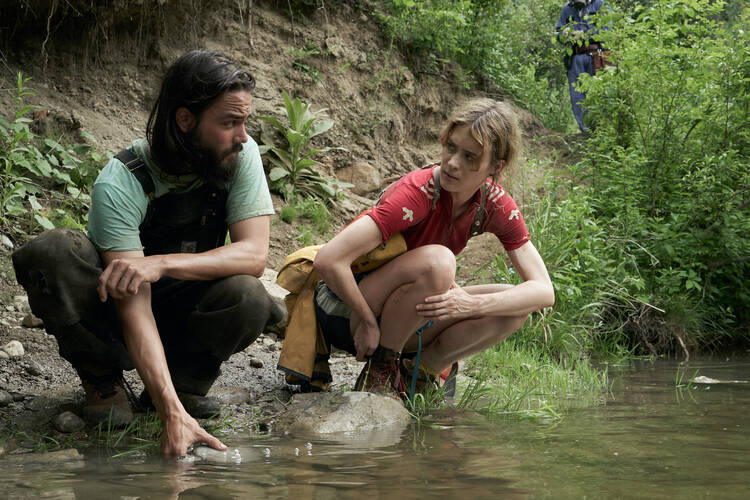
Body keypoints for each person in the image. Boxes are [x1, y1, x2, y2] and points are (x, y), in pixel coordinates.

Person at [11, 49, 283, 456]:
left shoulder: (238, 157)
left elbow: (254, 254)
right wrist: (171, 417)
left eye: (244, 122)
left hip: (183, 303)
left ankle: (183, 383)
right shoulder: (120, 183)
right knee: (52, 252)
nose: (243, 136)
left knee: (249, 294)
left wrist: (161, 263)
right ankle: (103, 380)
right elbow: (133, 307)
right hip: (116, 313)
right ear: (186, 120)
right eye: (229, 123)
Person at [312, 99, 554, 399]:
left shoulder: (494, 204)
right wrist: (367, 321)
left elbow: (544, 292)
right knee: (439, 262)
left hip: (407, 315)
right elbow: (329, 260)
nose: (453, 162)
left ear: (495, 166)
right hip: (345, 311)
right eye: (451, 148)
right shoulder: (416, 193)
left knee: (514, 306)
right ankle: (382, 367)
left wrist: (471, 304)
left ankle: (421, 371)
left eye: (470, 157)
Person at [556, 0, 609, 133]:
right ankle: (586, 132)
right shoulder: (567, 9)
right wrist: (563, 34)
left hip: (596, 56)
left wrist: (585, 35)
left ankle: (603, 131)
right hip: (575, 57)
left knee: (599, 93)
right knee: (577, 96)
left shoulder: (599, 5)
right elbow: (558, 33)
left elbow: (607, 30)